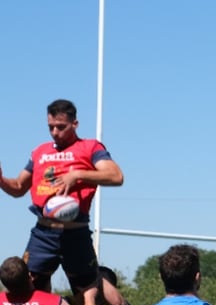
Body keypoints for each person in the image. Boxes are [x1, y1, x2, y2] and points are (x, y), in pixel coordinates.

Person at [0, 99, 125, 293]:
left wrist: (77, 175)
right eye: (51, 127)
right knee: (28, 291)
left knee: (87, 295)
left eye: (61, 127)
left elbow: (116, 176)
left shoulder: (90, 147)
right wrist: (1, 180)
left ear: (75, 124)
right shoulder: (40, 152)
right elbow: (17, 187)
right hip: (43, 234)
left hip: (76, 233)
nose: (55, 133)